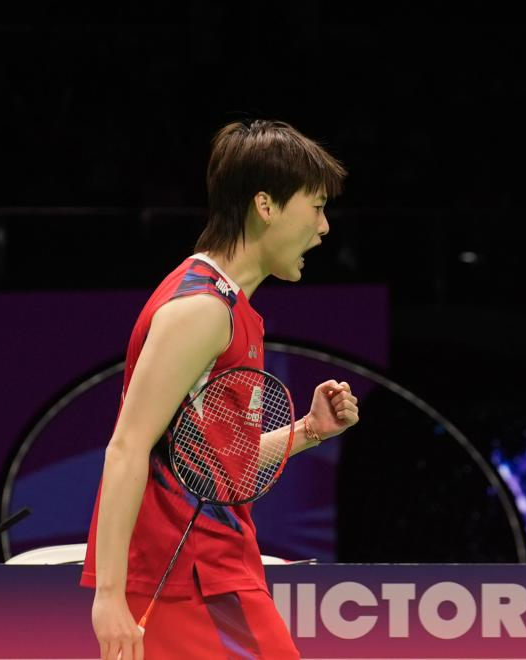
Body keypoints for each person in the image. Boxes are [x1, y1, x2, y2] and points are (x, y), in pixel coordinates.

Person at [81, 119, 358, 659]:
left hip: (208, 570)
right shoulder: (201, 310)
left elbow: (215, 467)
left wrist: (308, 431)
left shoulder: (233, 311)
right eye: (317, 206)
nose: (324, 228)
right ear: (266, 205)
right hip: (190, 576)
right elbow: (127, 446)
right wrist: (109, 597)